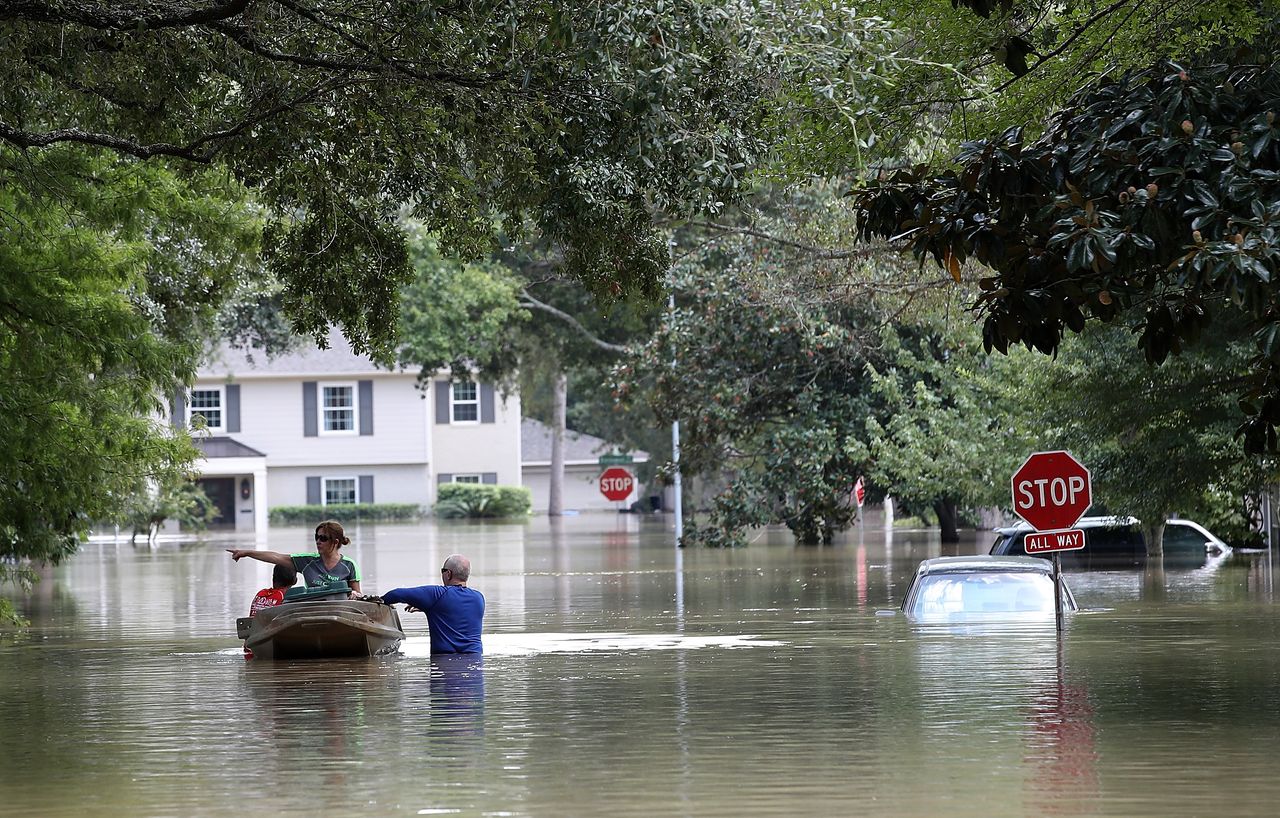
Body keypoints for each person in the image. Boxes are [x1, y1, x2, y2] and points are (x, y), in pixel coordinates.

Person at [376, 554, 483, 654]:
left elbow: (396, 594)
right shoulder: (479, 598)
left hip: (444, 664)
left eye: (443, 571)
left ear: (448, 574)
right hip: (475, 664)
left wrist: (377, 601)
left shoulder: (437, 595)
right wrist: (430, 607)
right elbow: (456, 610)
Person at [227, 520, 362, 595]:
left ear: (335, 542)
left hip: (341, 612)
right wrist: (246, 553)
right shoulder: (307, 561)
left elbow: (358, 594)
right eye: (316, 537)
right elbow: (275, 557)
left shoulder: (349, 565)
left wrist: (355, 596)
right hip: (312, 611)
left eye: (323, 538)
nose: (318, 541)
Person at [244, 564, 297, 658]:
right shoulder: (287, 598)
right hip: (273, 645)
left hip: (251, 646)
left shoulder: (260, 594)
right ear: (295, 581)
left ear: (273, 578)